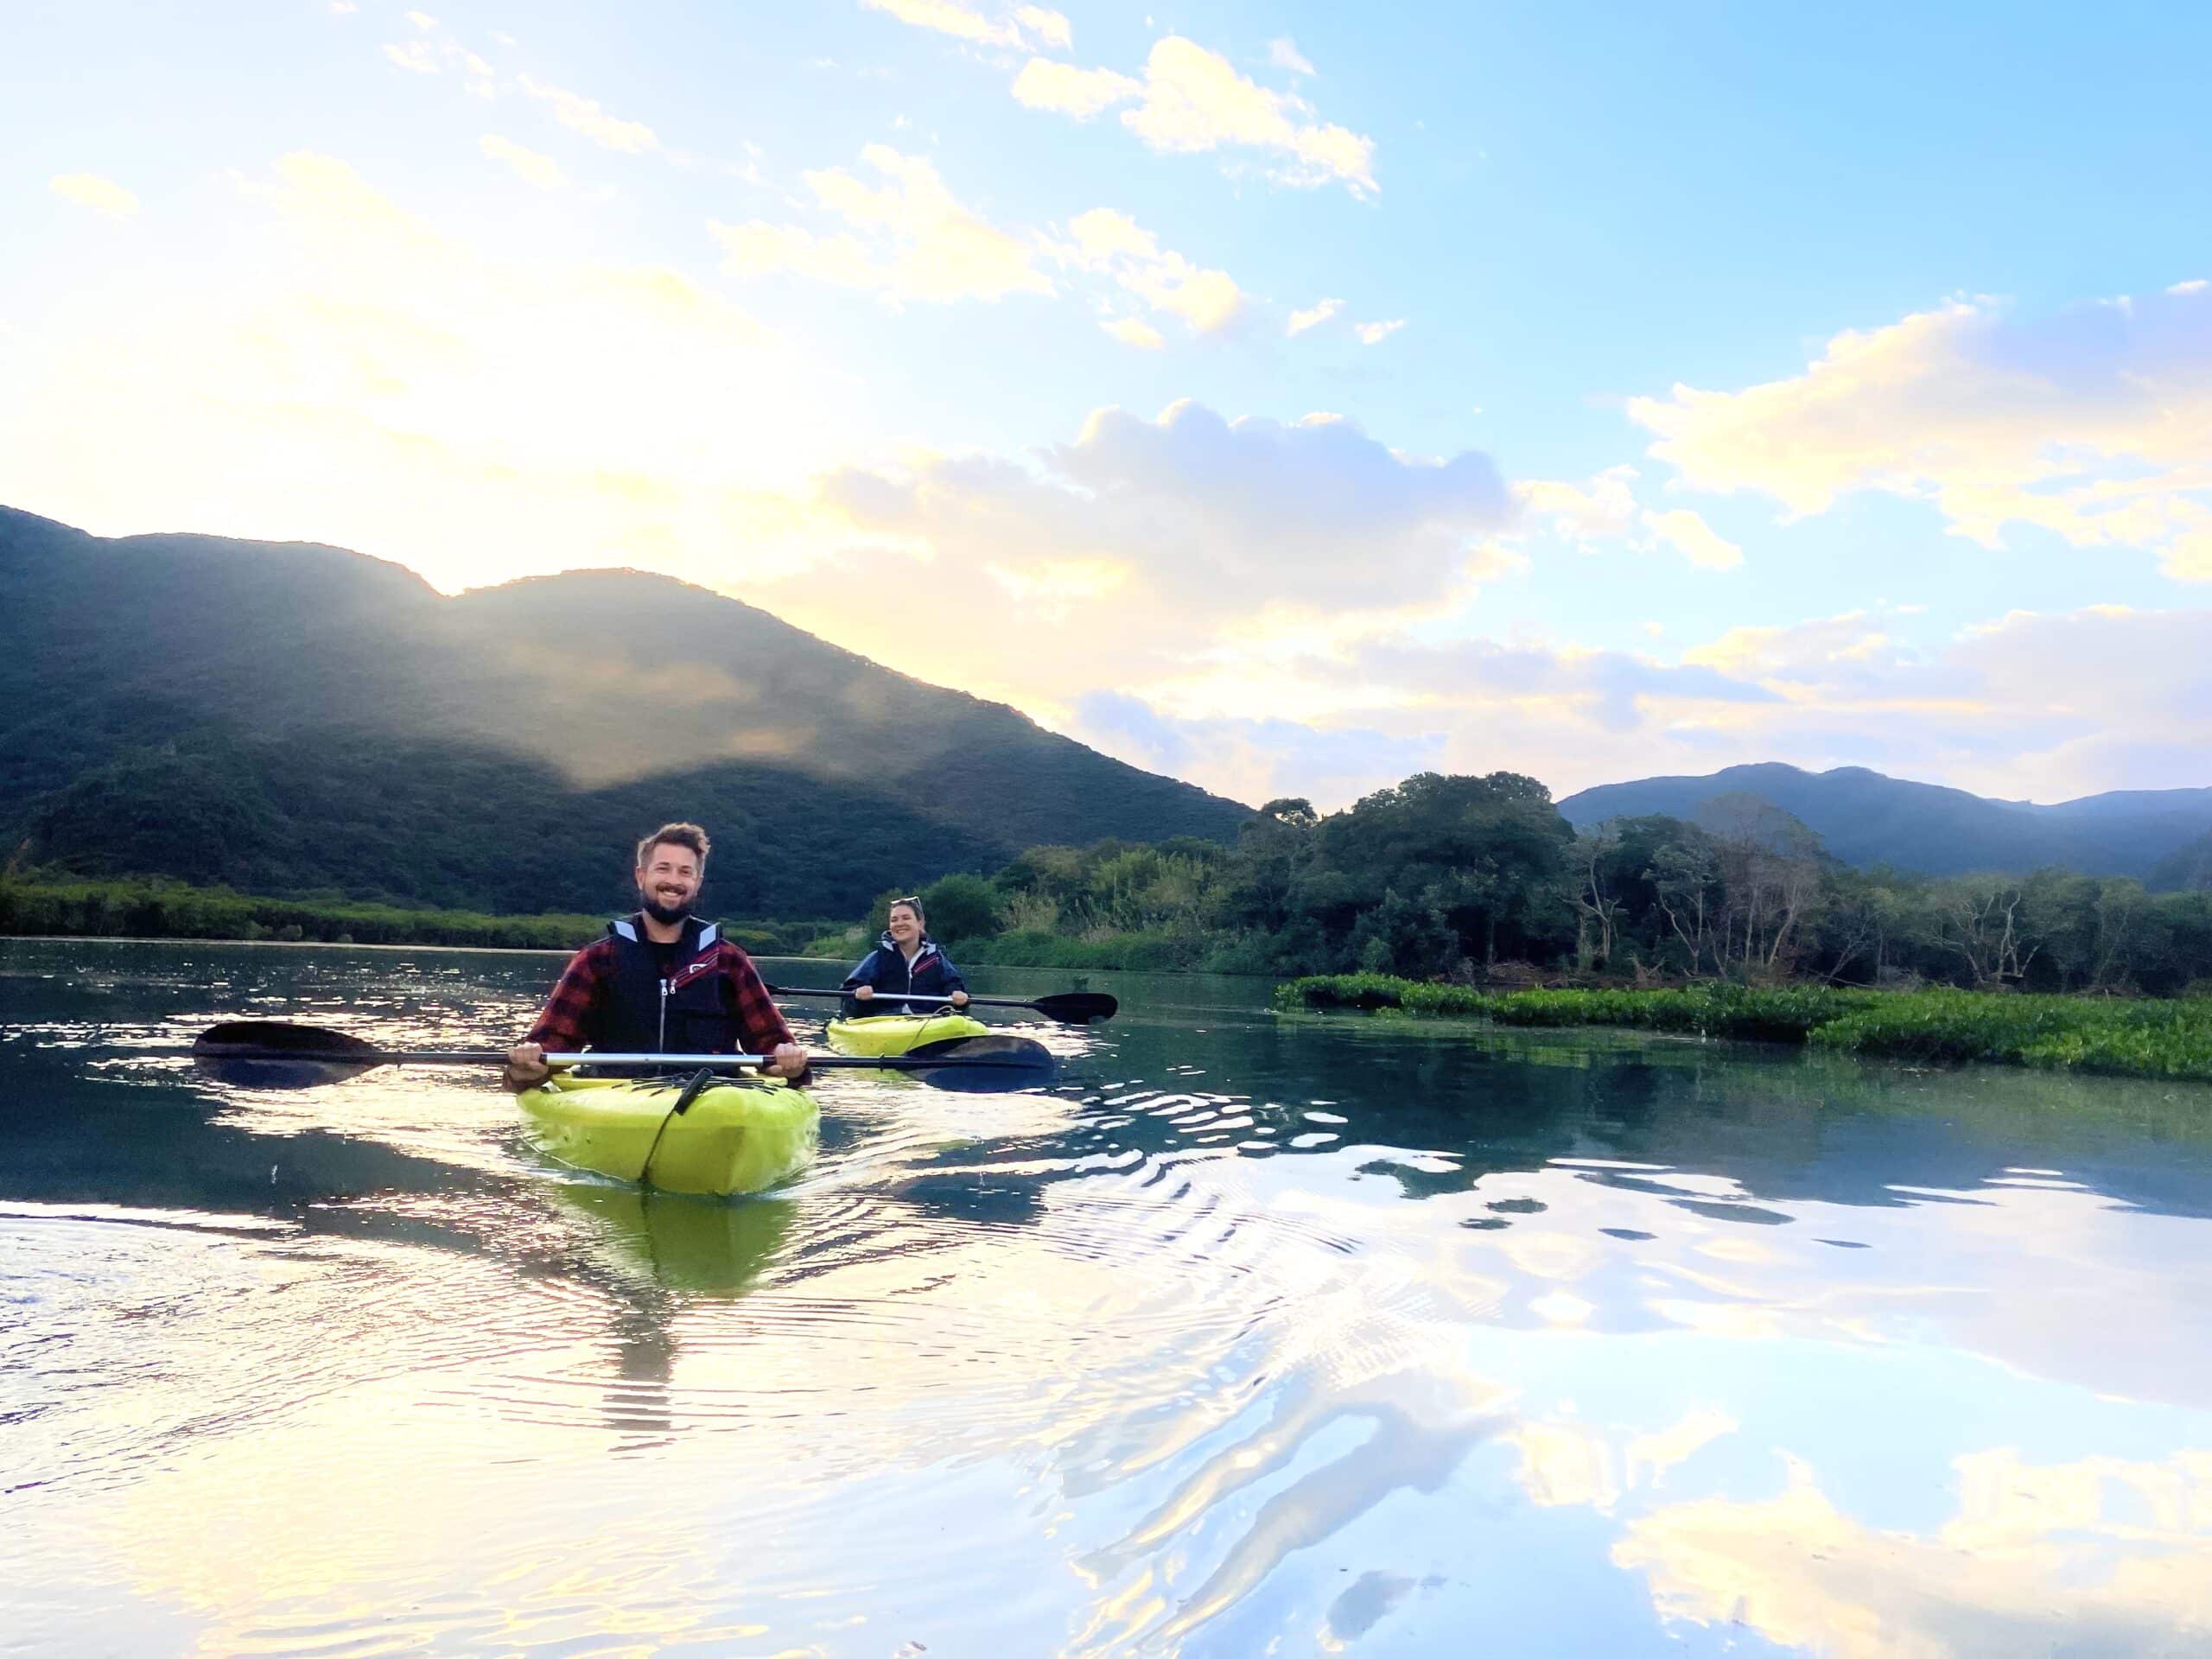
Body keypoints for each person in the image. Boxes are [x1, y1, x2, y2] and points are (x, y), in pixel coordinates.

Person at [504, 823, 807, 1090]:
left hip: (713, 1097)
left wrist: (789, 1060)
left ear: (697, 884)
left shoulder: (729, 961)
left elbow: (774, 1047)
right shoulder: (597, 960)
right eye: (663, 868)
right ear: (641, 876)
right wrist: (527, 1065)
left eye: (685, 872)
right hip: (614, 1096)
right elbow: (549, 1047)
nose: (673, 881)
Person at [841, 895, 970, 1020]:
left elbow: (955, 986)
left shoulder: (937, 959)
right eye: (894, 920)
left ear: (920, 923)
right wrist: (857, 993)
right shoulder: (878, 958)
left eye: (906, 918)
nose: (899, 923)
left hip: (928, 1021)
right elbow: (848, 993)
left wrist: (958, 996)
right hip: (882, 1021)